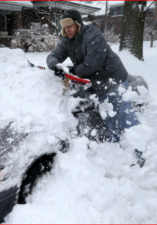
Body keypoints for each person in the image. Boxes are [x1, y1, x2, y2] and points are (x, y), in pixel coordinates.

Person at [47, 10, 144, 166]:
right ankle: (117, 154)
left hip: (114, 80)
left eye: (70, 26)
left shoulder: (92, 34)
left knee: (126, 118)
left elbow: (93, 64)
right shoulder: (67, 40)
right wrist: (55, 65)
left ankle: (140, 153)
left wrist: (70, 71)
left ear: (78, 24)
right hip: (99, 86)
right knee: (110, 121)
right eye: (65, 27)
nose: (67, 30)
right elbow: (53, 55)